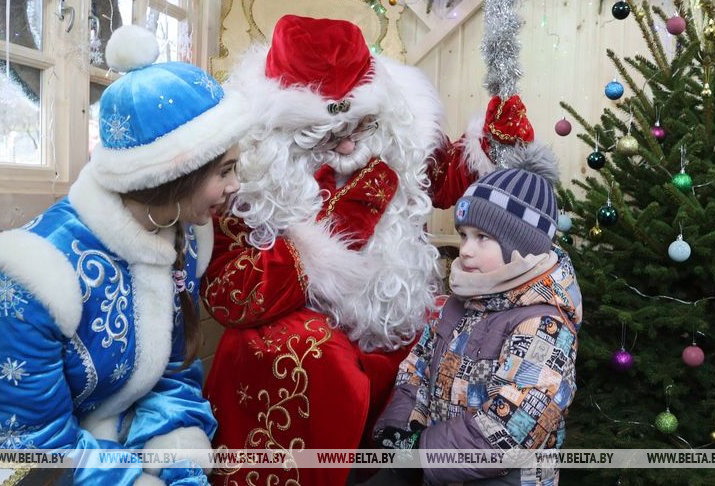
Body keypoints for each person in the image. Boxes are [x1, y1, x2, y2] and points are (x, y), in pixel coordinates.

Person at [201, 14, 551, 486]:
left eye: (361, 124)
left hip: (392, 317)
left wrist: (492, 143)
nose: (347, 143)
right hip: (306, 331)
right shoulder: (247, 174)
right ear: (280, 128)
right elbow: (228, 293)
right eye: (322, 134)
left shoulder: (397, 132)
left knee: (456, 337)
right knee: (312, 356)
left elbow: (446, 181)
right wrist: (342, 228)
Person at [0, 25, 252, 485]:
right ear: (175, 175)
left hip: (116, 449)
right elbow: (29, 451)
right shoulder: (31, 280)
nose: (235, 185)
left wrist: (178, 457)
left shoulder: (179, 239)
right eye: (225, 170)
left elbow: (173, 373)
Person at [372, 166, 583, 486]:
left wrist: (422, 455)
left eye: (483, 237)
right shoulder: (458, 303)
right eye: (464, 235)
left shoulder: (543, 325)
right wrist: (400, 430)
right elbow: (416, 370)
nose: (466, 249)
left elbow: (511, 429)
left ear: (522, 247)